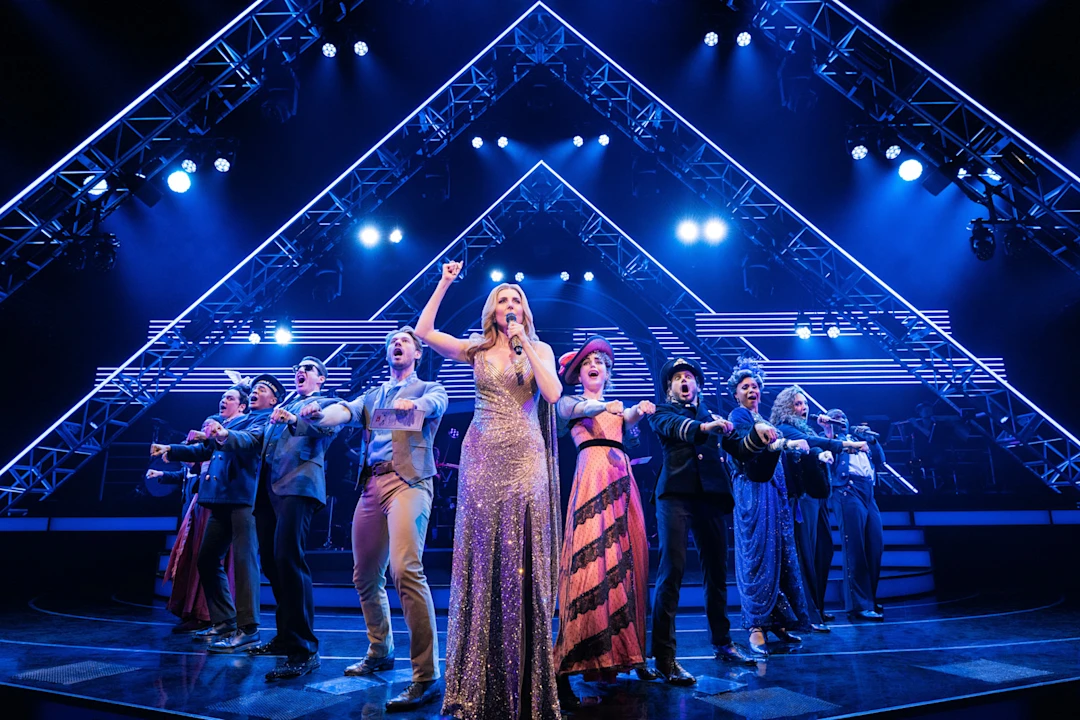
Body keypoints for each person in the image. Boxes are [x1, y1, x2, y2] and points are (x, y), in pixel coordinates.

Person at [415, 261, 563, 720]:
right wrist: (443, 283)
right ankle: (477, 675)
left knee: (525, 557)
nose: (510, 305)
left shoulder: (539, 348)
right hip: (483, 458)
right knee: (485, 555)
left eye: (516, 299)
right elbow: (423, 331)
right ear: (491, 310)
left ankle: (527, 676)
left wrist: (527, 346)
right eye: (503, 299)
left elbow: (554, 394)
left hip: (526, 458)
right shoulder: (476, 349)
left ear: (524, 310)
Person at [299, 326, 447, 711]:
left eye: (405, 341)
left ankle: (426, 674)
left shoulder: (430, 387)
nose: (397, 344)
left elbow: (435, 406)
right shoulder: (373, 395)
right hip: (372, 484)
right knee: (364, 575)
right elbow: (343, 410)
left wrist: (415, 407)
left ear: (417, 353)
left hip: (410, 482)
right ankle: (380, 649)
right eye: (392, 341)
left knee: (405, 569)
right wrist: (319, 412)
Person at [211, 359, 340, 680]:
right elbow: (255, 440)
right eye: (300, 366)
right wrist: (226, 434)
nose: (302, 370)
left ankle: (304, 648)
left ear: (321, 379)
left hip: (299, 486)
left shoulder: (327, 402)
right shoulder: (281, 406)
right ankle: (285, 637)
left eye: (310, 368)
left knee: (289, 560)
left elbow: (326, 427)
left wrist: (296, 417)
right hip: (267, 492)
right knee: (271, 562)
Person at [551, 336, 656, 709]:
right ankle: (563, 667)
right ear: (578, 372)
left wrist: (638, 411)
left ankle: (621, 653)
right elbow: (575, 410)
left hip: (620, 474)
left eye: (601, 361)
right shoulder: (570, 401)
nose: (595, 364)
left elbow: (622, 417)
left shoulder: (615, 405)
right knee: (589, 564)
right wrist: (606, 404)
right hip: (593, 473)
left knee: (622, 562)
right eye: (588, 361)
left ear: (608, 373)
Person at [648, 357, 757, 686]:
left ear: (697, 384)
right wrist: (704, 428)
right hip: (676, 496)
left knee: (716, 571)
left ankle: (722, 643)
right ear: (670, 386)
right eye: (678, 378)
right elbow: (676, 430)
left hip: (710, 496)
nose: (684, 381)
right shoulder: (665, 412)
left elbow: (738, 446)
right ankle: (664, 658)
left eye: (689, 377)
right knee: (673, 572)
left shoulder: (712, 415)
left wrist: (758, 437)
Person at [151, 382, 276, 652]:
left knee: (245, 564)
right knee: (207, 559)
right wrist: (170, 449)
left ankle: (249, 628)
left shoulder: (260, 421)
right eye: (223, 397)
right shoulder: (228, 425)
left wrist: (222, 432)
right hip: (221, 499)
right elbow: (203, 451)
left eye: (230, 397)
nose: (223, 401)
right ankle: (225, 621)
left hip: (244, 500)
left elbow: (245, 441)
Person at [726, 359, 812, 658]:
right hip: (752, 492)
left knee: (778, 555)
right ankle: (755, 625)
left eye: (755, 386)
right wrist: (784, 445)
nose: (751, 390)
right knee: (756, 555)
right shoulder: (737, 416)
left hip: (774, 494)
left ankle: (777, 621)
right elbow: (746, 454)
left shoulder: (763, 418)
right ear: (736, 393)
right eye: (745, 387)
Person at [769, 386, 867, 632]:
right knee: (807, 555)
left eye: (805, 404)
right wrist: (843, 445)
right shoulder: (785, 427)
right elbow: (812, 444)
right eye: (798, 404)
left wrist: (830, 437)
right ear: (786, 407)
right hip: (802, 499)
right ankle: (808, 613)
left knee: (823, 552)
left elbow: (817, 441)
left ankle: (818, 607)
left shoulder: (806, 428)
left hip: (819, 496)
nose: (804, 408)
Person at [822, 409, 886, 621]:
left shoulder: (859, 440)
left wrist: (872, 440)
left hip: (868, 491)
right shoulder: (832, 441)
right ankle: (858, 605)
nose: (842, 421)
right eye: (836, 418)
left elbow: (881, 460)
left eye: (844, 418)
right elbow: (826, 452)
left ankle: (869, 598)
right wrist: (829, 431)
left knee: (875, 546)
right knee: (855, 547)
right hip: (847, 491)